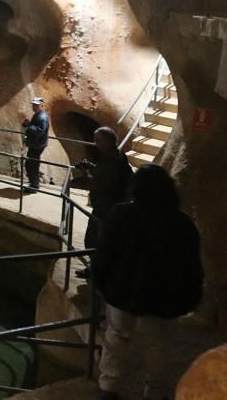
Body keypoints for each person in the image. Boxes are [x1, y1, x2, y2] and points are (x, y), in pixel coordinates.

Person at [92, 164, 203, 400]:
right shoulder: (182, 223)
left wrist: (101, 281)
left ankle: (109, 387)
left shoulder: (122, 214)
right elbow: (191, 266)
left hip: (123, 289)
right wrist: (191, 297)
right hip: (163, 296)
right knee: (160, 346)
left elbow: (105, 252)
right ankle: (155, 392)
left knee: (117, 336)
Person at [75, 127, 134, 278]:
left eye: (98, 140)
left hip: (106, 207)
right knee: (99, 239)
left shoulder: (114, 160)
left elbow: (103, 184)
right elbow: (105, 174)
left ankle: (96, 271)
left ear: (108, 141)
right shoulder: (115, 155)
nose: (96, 144)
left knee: (94, 240)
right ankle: (98, 268)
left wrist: (86, 175)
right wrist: (91, 168)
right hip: (108, 206)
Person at [21, 96, 50, 192]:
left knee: (31, 165)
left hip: (37, 145)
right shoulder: (38, 115)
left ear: (41, 105)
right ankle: (34, 184)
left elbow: (39, 132)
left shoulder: (42, 117)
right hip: (35, 144)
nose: (34, 107)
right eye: (33, 105)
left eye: (36, 105)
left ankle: (34, 186)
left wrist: (29, 125)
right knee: (32, 164)